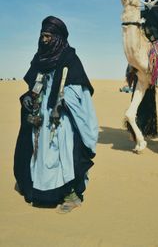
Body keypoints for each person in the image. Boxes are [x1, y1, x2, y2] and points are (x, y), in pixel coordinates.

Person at [14, 16, 99, 213]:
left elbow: (78, 89)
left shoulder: (69, 58)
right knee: (39, 153)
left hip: (62, 117)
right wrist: (28, 98)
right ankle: (39, 189)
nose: (44, 40)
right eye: (42, 36)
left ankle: (70, 193)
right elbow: (33, 85)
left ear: (58, 37)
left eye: (48, 36)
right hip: (41, 113)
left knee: (64, 153)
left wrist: (62, 103)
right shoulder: (39, 58)